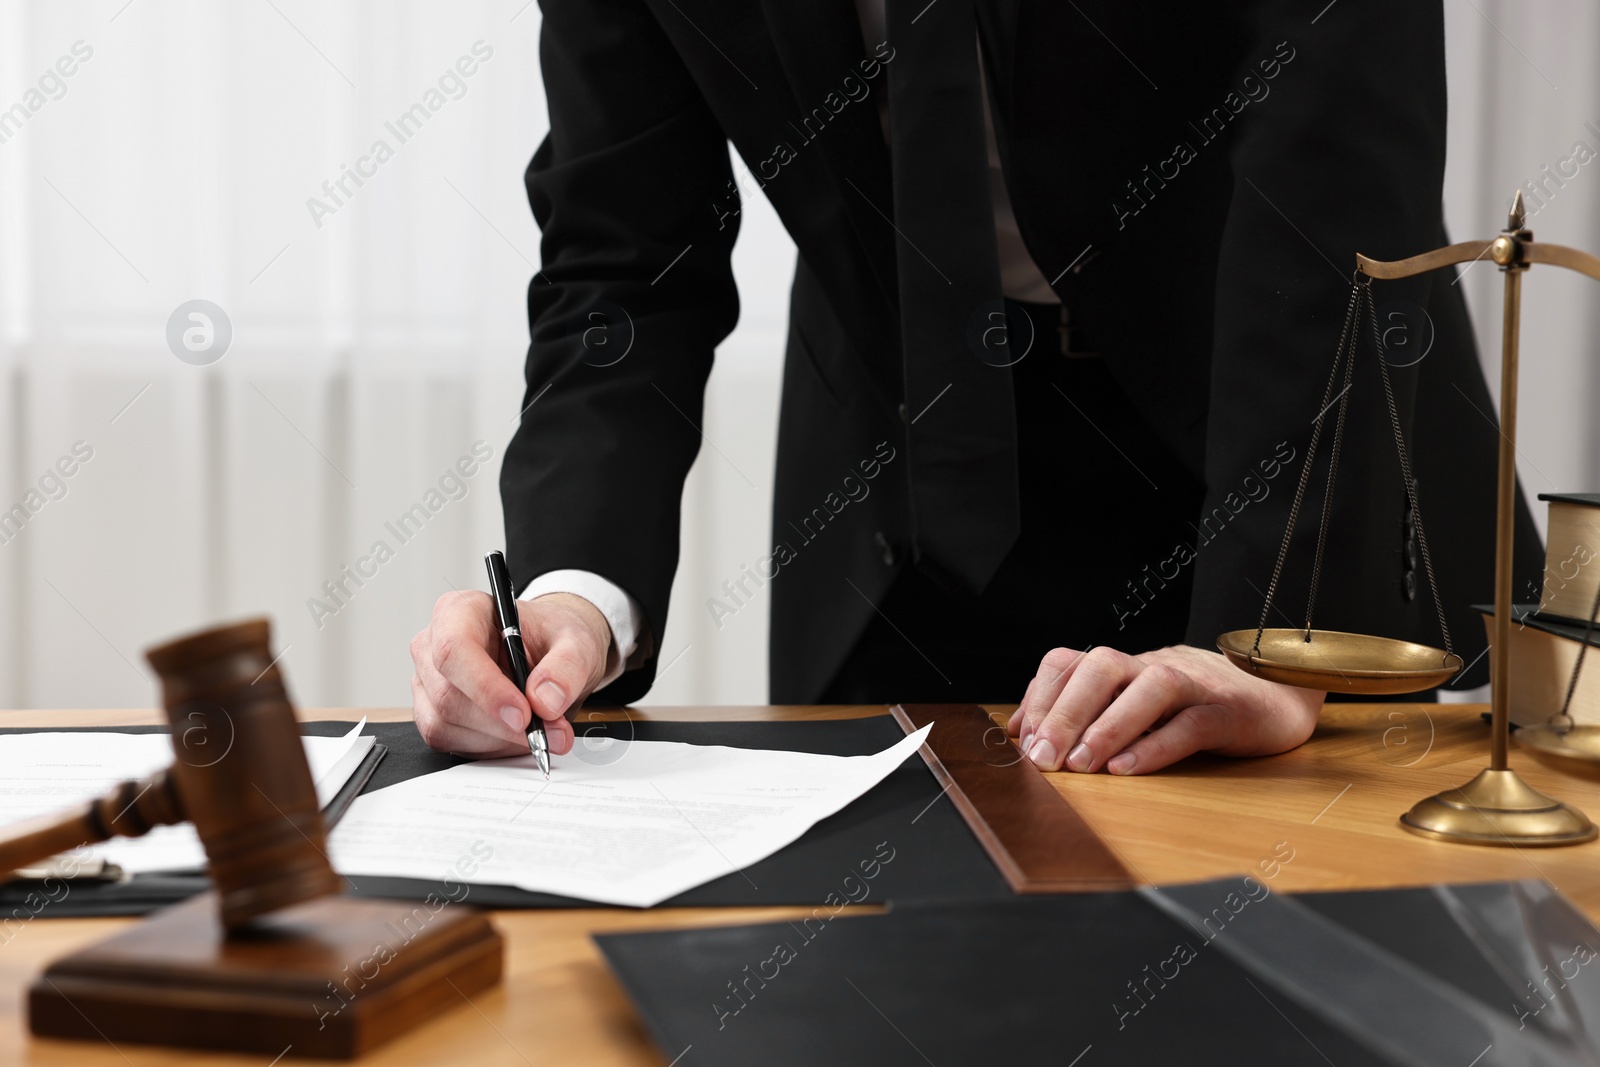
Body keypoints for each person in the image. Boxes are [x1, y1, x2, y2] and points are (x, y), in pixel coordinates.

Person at [410, 0, 1538, 774]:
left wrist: (1275, 626)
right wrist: (572, 594)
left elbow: (1336, 175)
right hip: (900, 517)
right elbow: (622, 259)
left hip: (1305, 482)